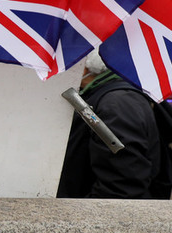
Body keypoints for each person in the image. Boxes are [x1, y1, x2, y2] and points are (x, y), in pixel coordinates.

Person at [58, 49, 159, 198]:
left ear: (82, 66)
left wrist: (81, 217)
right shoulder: (108, 95)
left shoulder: (116, 103)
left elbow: (122, 186)